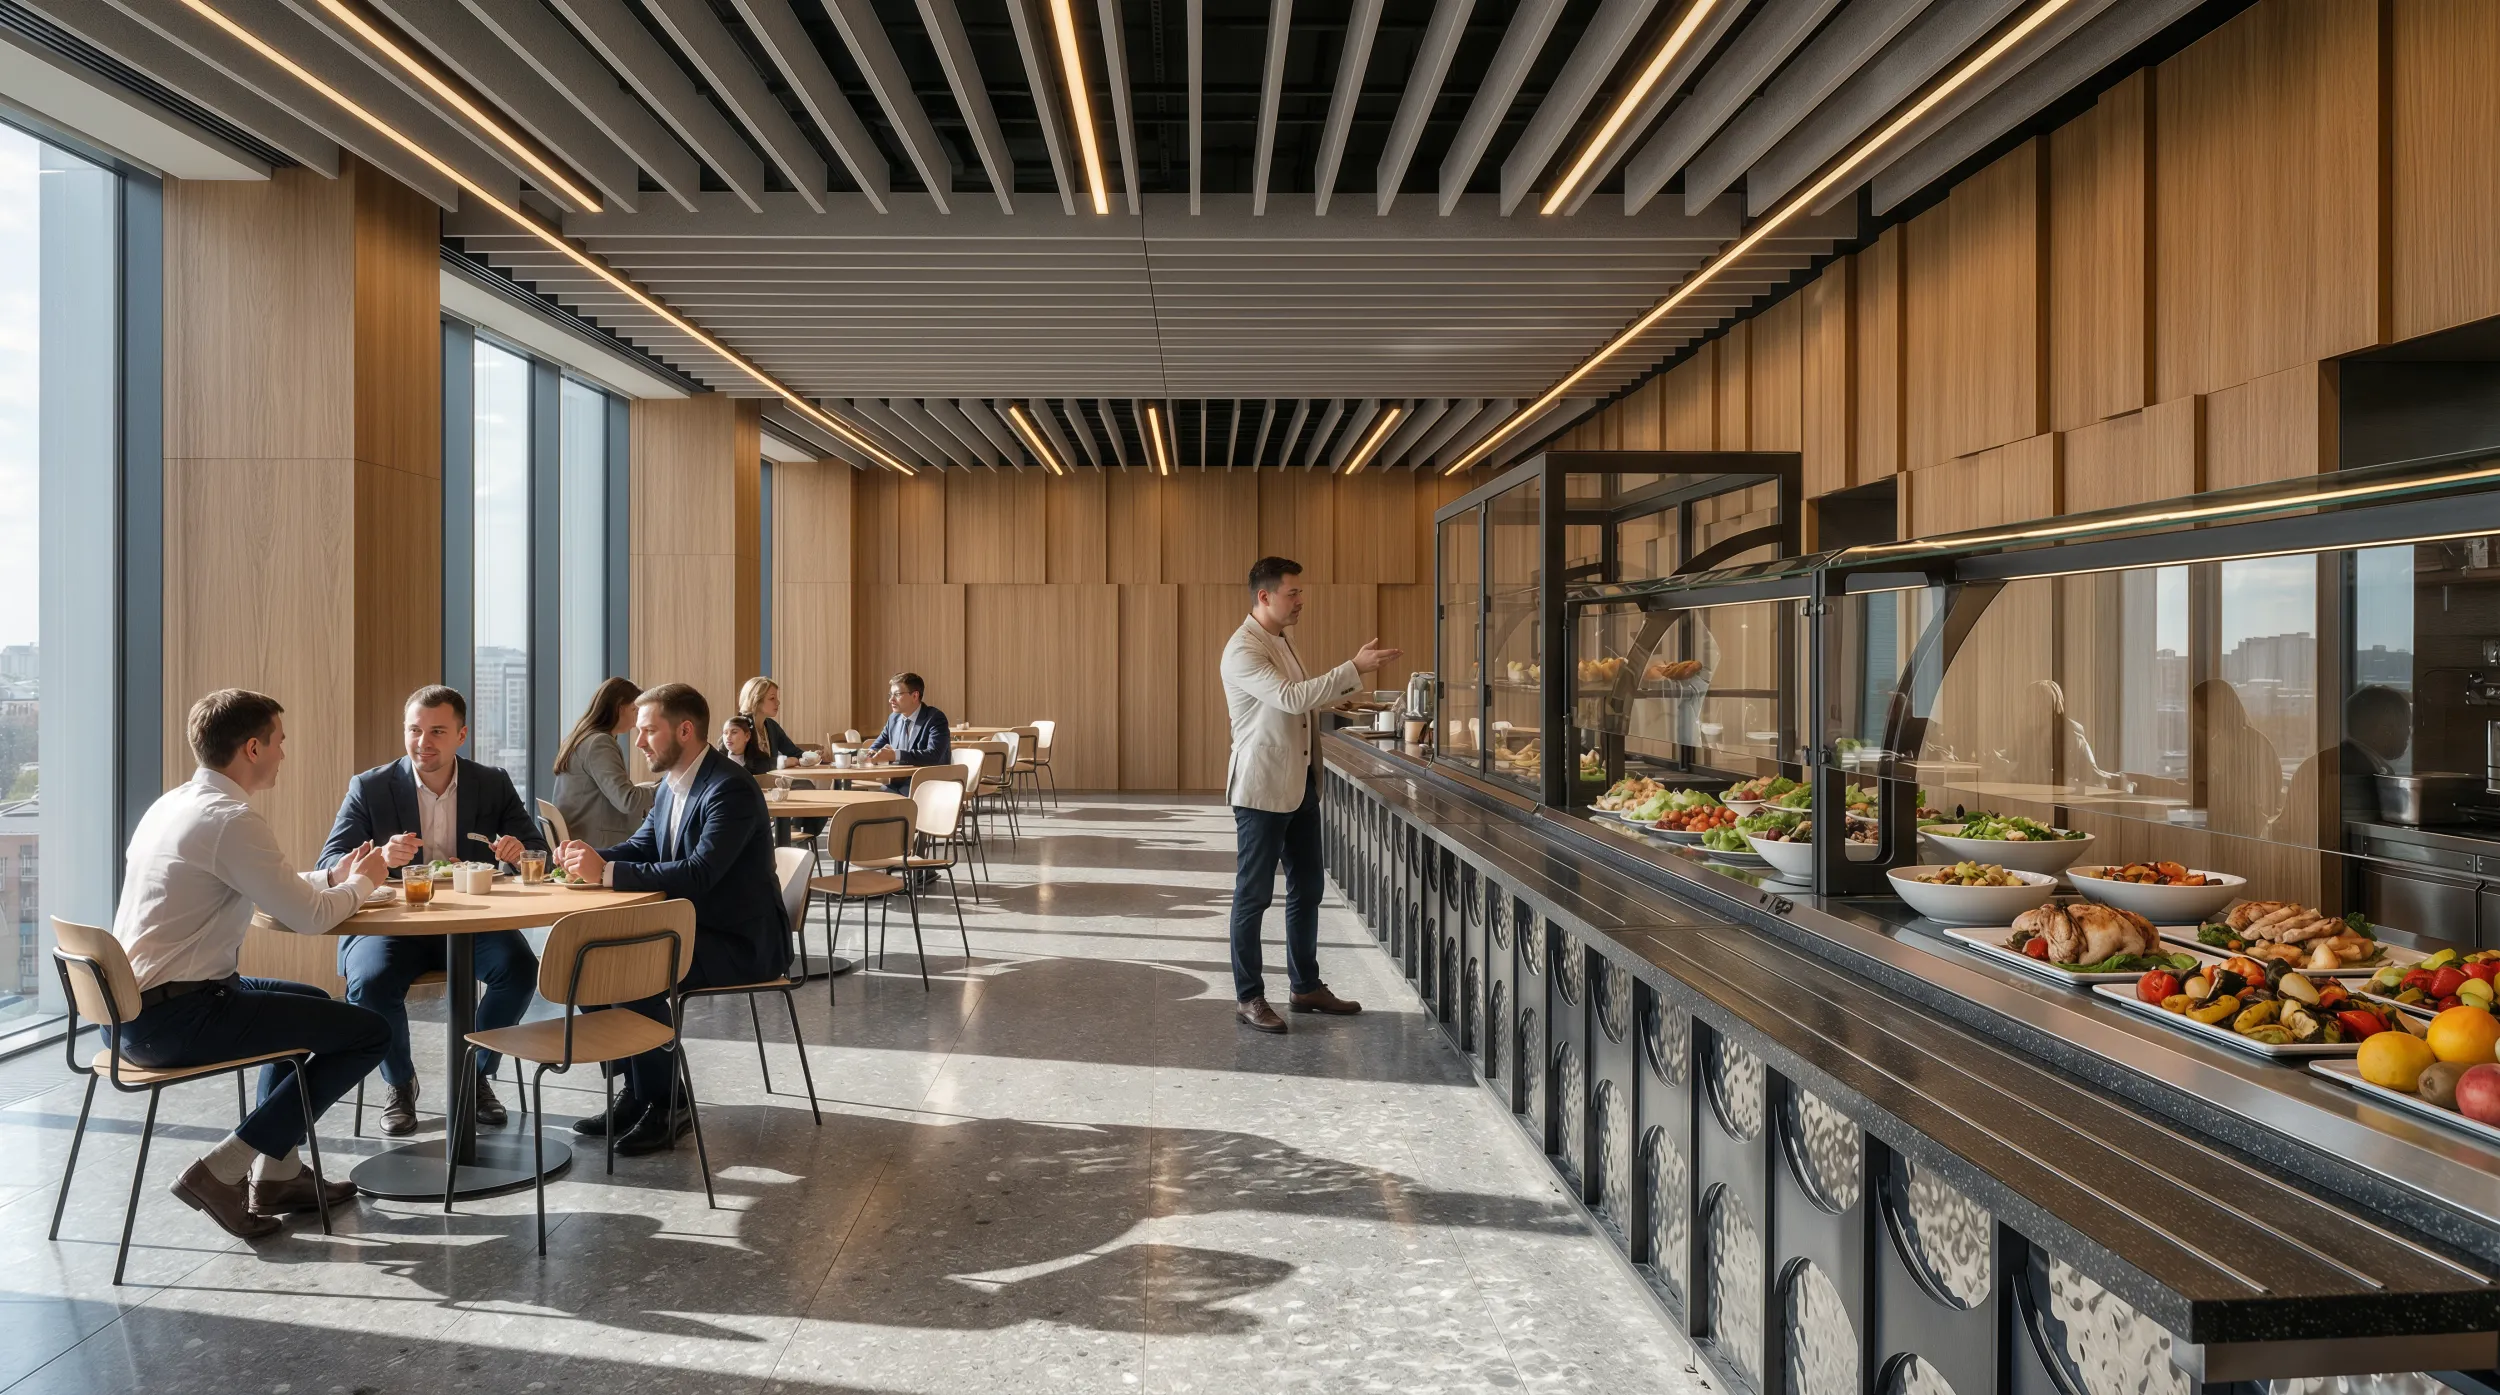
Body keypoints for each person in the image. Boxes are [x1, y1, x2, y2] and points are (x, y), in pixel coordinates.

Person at [106, 689, 392, 1239]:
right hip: (176, 1017)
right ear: (253, 748)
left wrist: (334, 878)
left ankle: (278, 1173)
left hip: (132, 1011)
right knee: (369, 1033)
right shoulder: (231, 820)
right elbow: (310, 918)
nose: (284, 753)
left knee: (310, 1004)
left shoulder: (174, 804)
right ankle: (223, 1168)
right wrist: (364, 882)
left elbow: (268, 886)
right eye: (279, 741)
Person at [556, 683, 790, 1156]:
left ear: (684, 731)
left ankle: (669, 1105)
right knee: (589, 966)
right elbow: (642, 846)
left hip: (741, 942)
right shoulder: (671, 785)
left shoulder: (729, 788)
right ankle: (636, 1092)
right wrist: (589, 858)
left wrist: (606, 874)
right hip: (692, 930)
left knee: (635, 974)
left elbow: (700, 873)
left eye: (648, 731)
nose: (638, 741)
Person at [317, 686, 546, 1136]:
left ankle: (475, 1074)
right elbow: (330, 861)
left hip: (469, 923)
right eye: (415, 730)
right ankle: (400, 1084)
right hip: (393, 925)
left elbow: (538, 849)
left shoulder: (492, 782)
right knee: (369, 982)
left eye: (437, 731)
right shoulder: (370, 787)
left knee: (520, 970)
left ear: (461, 735)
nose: (424, 742)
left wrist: (518, 852)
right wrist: (379, 856)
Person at [1222, 557, 1400, 1034]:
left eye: (1300, 592)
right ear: (1264, 596)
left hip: (1299, 783)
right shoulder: (1242, 649)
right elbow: (1292, 697)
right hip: (1261, 789)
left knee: (1308, 888)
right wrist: (1353, 668)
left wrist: (1345, 691)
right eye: (1293, 593)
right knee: (1253, 895)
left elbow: (1301, 698)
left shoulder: (1282, 639)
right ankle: (1248, 997)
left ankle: (1304, 987)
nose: (1301, 600)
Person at [552, 677, 657, 848]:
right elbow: (628, 801)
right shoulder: (600, 743)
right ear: (619, 708)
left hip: (580, 837)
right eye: (634, 710)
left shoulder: (579, 738)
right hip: (597, 844)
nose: (637, 719)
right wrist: (666, 787)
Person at [739, 676, 822, 843]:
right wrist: (783, 762)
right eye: (772, 698)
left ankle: (794, 835)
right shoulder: (739, 726)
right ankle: (792, 837)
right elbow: (749, 764)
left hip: (772, 784)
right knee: (806, 788)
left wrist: (814, 756)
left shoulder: (771, 726)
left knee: (815, 796)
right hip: (748, 789)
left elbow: (794, 752)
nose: (777, 702)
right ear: (756, 700)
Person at [864, 672, 951, 794]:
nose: (891, 700)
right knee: (871, 798)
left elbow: (934, 755)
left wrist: (895, 755)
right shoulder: (893, 719)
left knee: (881, 800)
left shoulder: (935, 718)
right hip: (896, 783)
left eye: (897, 694)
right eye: (890, 695)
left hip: (927, 785)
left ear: (915, 696)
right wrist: (870, 753)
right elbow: (876, 746)